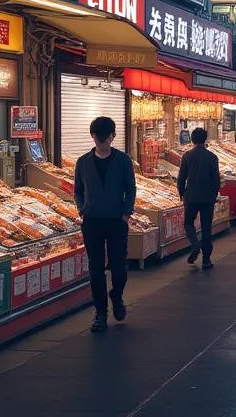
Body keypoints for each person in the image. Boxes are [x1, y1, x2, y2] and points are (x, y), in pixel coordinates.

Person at [74, 116, 136, 332]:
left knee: (119, 267)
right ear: (93, 137)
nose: (102, 142)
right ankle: (100, 313)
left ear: (112, 137)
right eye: (98, 138)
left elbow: (131, 188)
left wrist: (126, 213)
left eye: (106, 138)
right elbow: (78, 191)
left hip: (117, 221)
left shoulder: (123, 160)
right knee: (95, 269)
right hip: (91, 222)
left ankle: (116, 295)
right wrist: (82, 208)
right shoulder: (83, 162)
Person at [176, 127, 221, 269]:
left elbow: (181, 178)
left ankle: (195, 245)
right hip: (208, 197)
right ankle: (206, 259)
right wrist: (214, 194)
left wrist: (181, 193)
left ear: (192, 140)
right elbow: (216, 180)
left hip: (192, 196)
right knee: (206, 227)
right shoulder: (212, 157)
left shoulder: (187, 156)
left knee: (188, 223)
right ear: (205, 139)